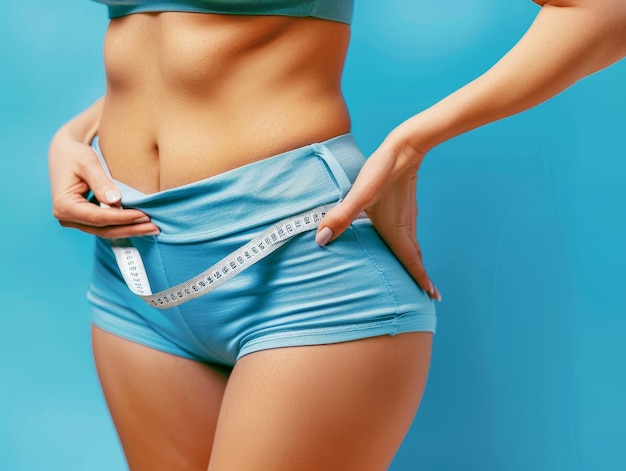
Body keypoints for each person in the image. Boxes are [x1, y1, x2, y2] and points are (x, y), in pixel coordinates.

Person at [48, 1, 626, 469]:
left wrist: (413, 140)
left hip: (308, 265)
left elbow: (602, 11)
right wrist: (72, 136)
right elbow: (165, 44)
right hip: (134, 274)